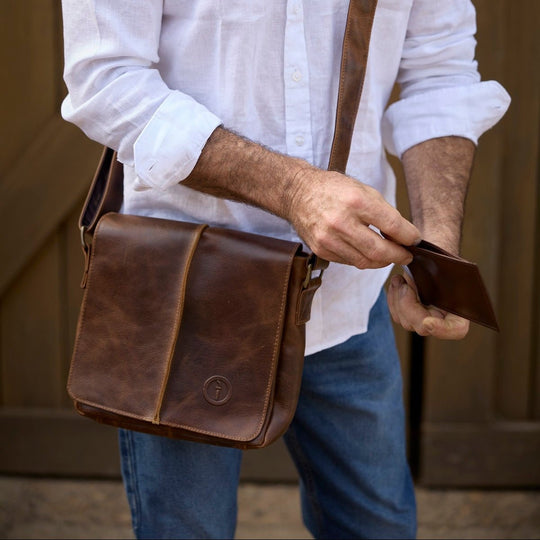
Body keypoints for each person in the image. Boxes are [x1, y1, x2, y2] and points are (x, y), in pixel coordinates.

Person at [60, 1, 510, 538]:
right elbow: (104, 81)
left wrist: (437, 247)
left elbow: (439, 74)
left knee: (379, 527)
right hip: (183, 300)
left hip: (346, 302)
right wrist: (295, 190)